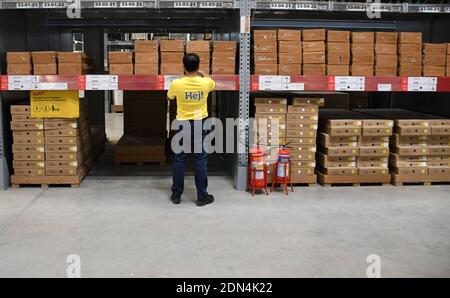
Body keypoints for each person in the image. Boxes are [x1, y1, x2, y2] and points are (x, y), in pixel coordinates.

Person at [167, 53, 216, 206]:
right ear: (198, 65)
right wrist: (200, 72)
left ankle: (176, 194)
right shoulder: (205, 83)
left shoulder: (177, 84)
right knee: (200, 159)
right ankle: (202, 196)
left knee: (179, 158)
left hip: (182, 124)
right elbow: (211, 80)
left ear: (183, 66)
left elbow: (170, 97)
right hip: (199, 123)